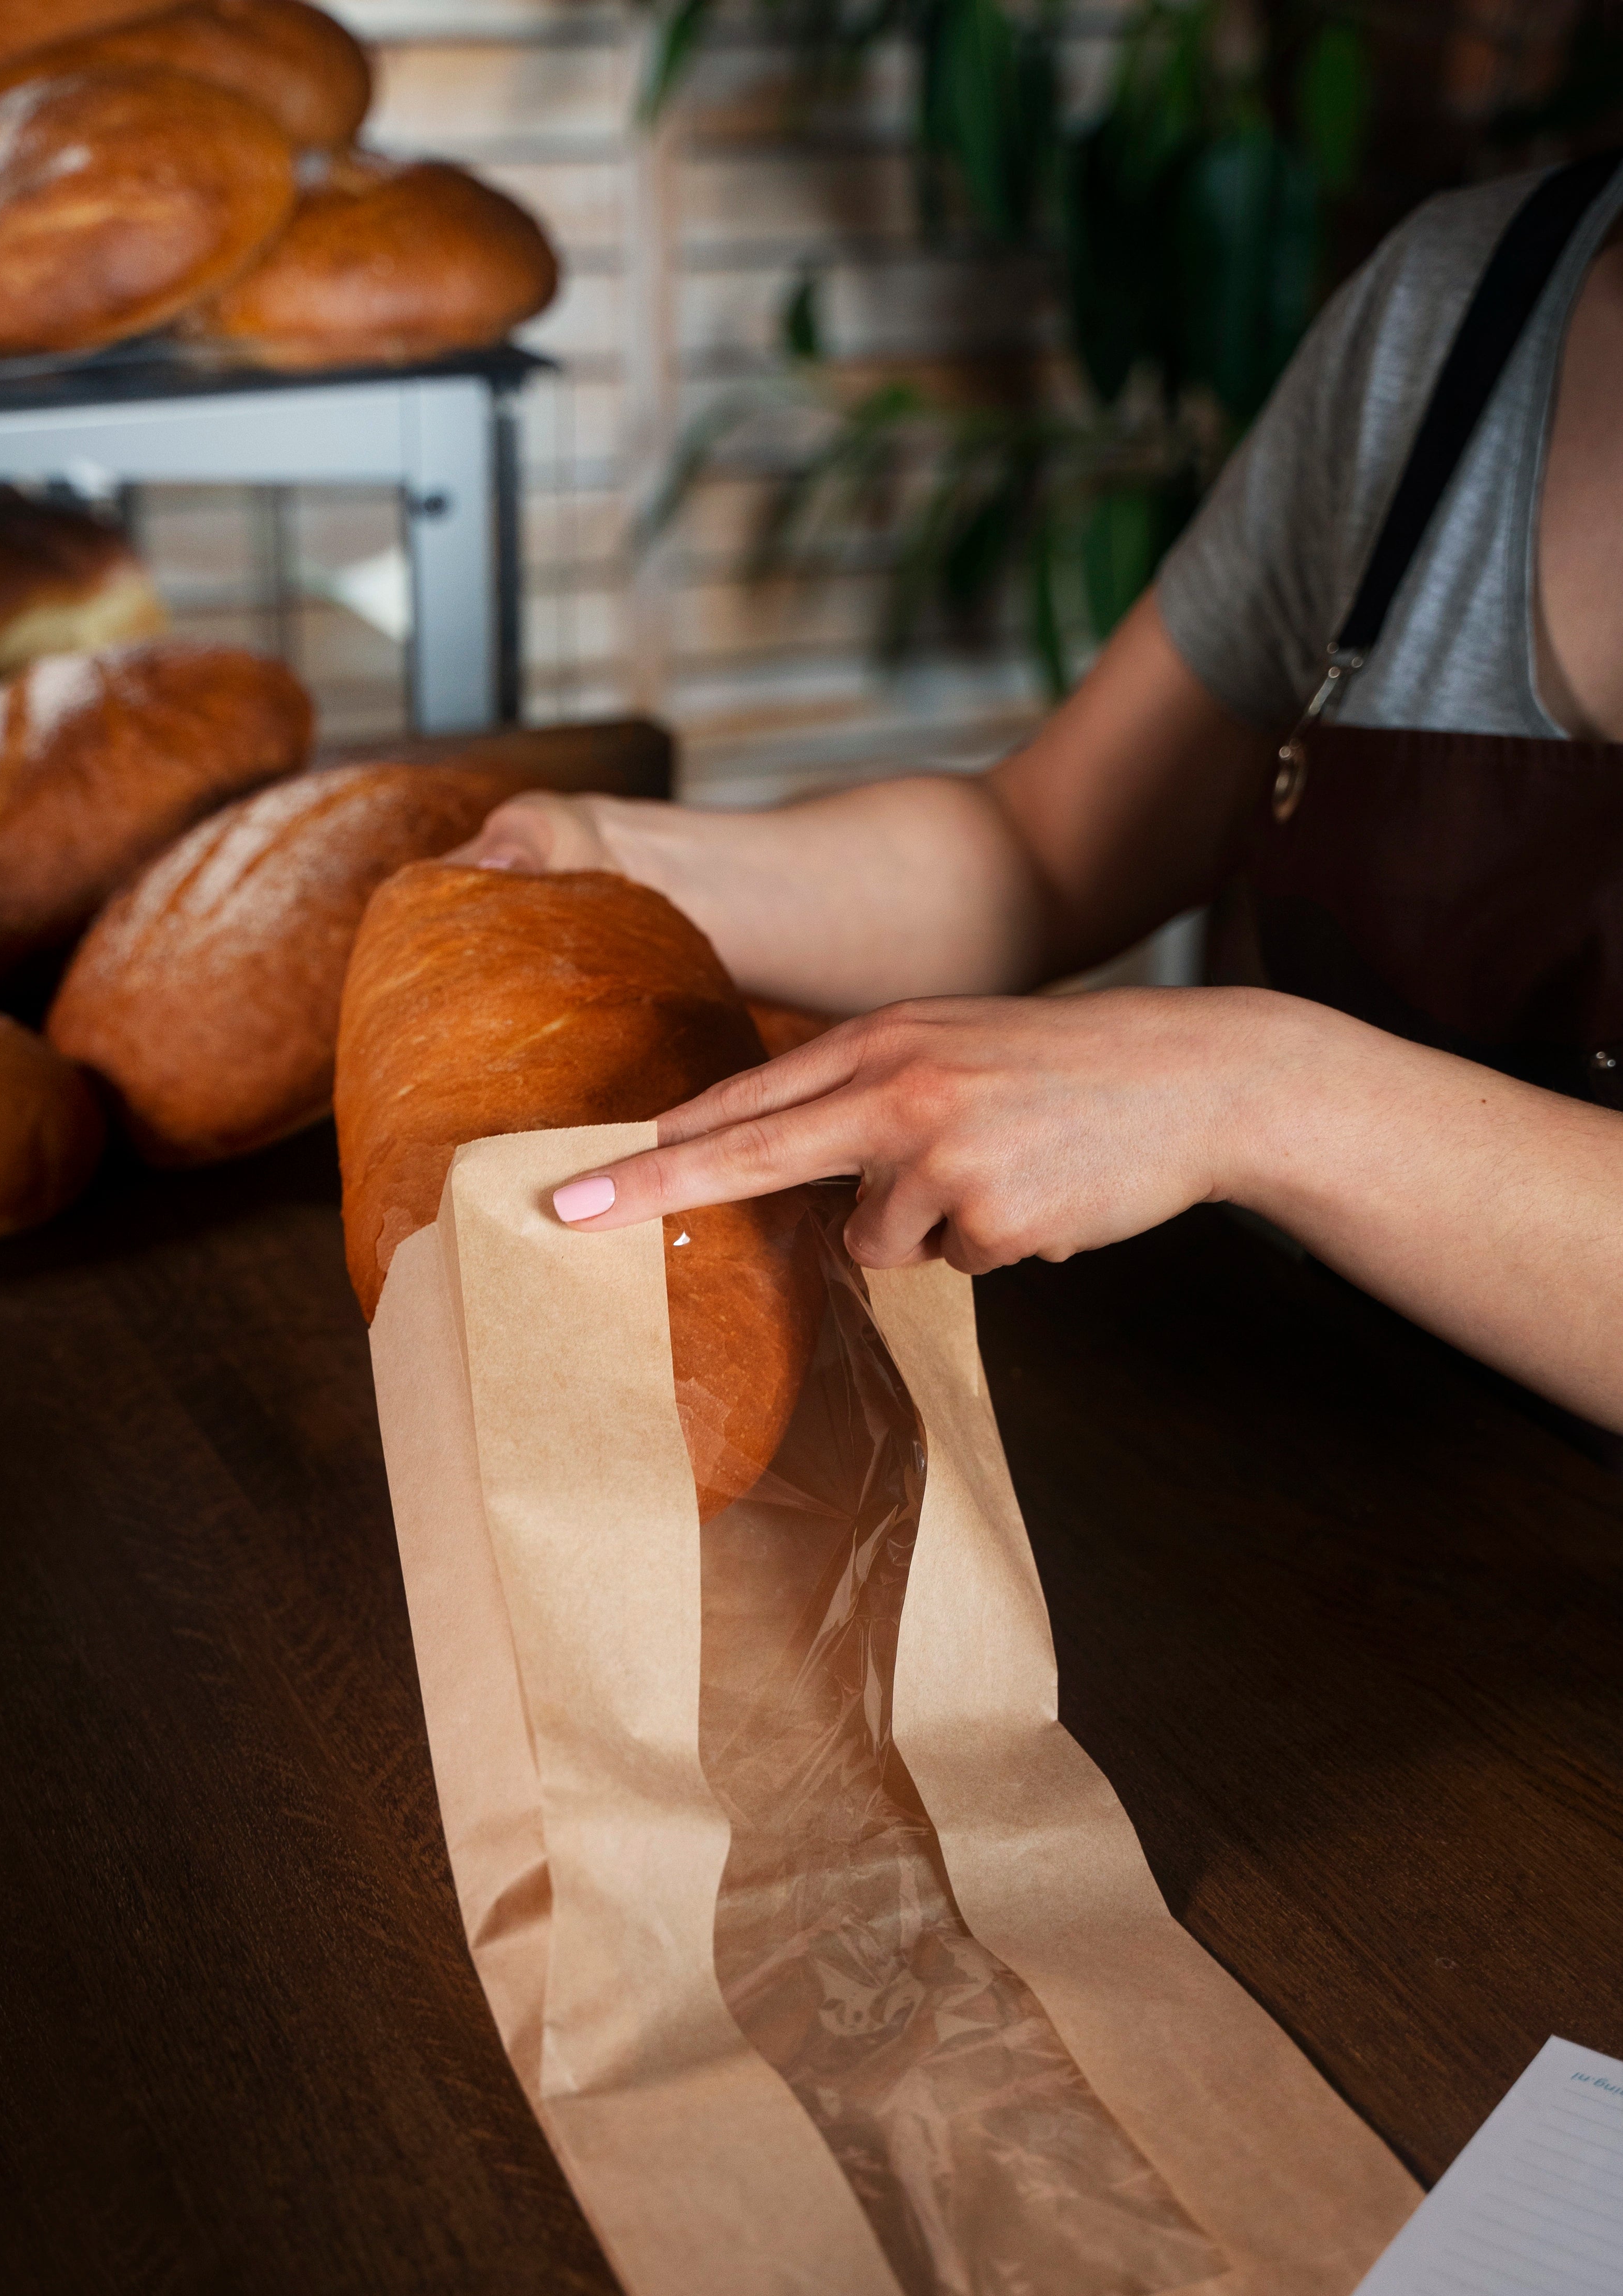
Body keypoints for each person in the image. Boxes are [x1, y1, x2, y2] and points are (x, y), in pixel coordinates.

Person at [458, 149, 1623, 1437]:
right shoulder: (1464, 300)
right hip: (1314, 1463)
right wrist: (600, 853)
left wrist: (1268, 1093)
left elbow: (1263, 1089)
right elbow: (1038, 852)